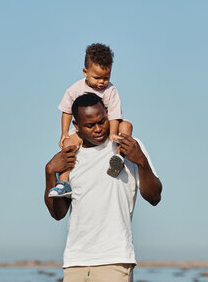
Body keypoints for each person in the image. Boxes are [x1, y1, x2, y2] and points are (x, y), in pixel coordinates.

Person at [44, 93, 162, 282]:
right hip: (75, 262)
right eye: (90, 125)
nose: (98, 129)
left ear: (108, 114)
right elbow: (58, 213)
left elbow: (154, 197)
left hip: (114, 259)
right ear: (76, 126)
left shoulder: (127, 146)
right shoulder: (70, 155)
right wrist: (50, 172)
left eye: (102, 121)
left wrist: (141, 161)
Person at [49, 43, 133, 198]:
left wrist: (113, 133)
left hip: (107, 125)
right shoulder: (75, 89)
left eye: (106, 78)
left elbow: (115, 114)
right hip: (84, 130)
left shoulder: (111, 91)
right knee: (68, 144)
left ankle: (118, 158)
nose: (101, 82)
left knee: (127, 126)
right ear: (85, 72)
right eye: (97, 78)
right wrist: (64, 132)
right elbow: (67, 111)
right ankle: (63, 182)